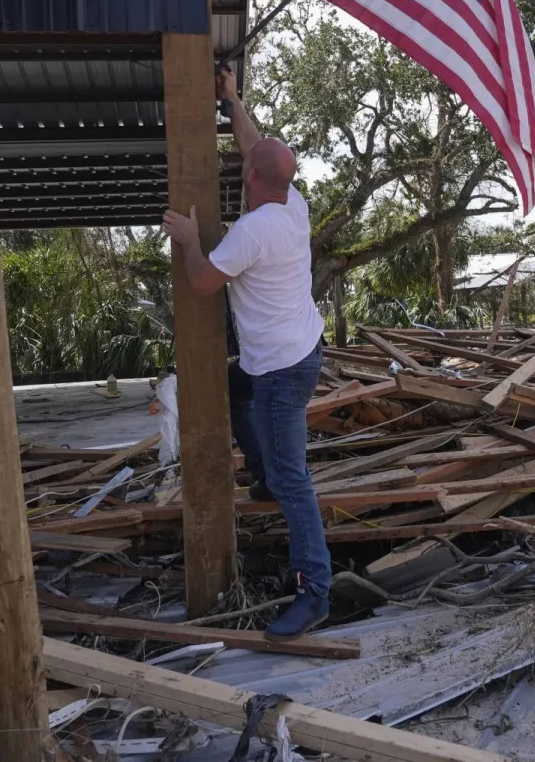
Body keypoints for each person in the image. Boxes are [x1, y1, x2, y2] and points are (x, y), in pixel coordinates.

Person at [162, 67, 330, 640]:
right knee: (235, 387)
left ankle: (315, 592)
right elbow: (256, 147)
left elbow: (204, 282)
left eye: (245, 162)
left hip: (283, 370)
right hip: (299, 351)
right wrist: (232, 99)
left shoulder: (253, 231)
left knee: (294, 478)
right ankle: (261, 475)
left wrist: (188, 243)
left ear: (249, 178)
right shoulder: (293, 204)